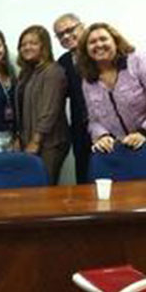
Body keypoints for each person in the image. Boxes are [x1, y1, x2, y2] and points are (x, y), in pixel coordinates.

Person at [77, 22, 146, 167]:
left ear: (116, 41)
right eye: (92, 42)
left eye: (103, 39)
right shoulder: (88, 80)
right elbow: (94, 119)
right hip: (126, 151)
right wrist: (101, 135)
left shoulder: (140, 61)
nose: (98, 44)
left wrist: (144, 133)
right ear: (86, 50)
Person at [15, 25, 70, 184]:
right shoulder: (26, 73)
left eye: (33, 43)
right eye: (23, 44)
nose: (27, 47)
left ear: (44, 46)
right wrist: (19, 137)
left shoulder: (53, 71)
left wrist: (35, 141)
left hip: (49, 143)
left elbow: (49, 111)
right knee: (30, 187)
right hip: (28, 139)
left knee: (44, 187)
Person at [54, 13, 91, 184]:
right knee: (84, 177)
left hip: (112, 127)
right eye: (60, 35)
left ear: (82, 26)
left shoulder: (100, 49)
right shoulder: (63, 62)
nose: (66, 36)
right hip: (80, 130)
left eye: (70, 30)